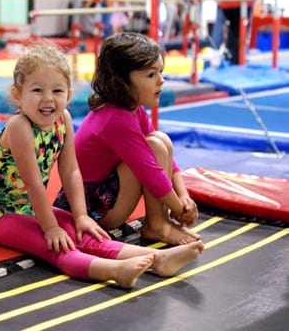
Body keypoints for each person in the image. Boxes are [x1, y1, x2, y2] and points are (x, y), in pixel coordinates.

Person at [0, 42, 204, 288]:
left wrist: (81, 216)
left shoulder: (62, 119)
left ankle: (158, 259)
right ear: (17, 95)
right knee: (55, 245)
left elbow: (71, 171)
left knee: (85, 234)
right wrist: (51, 228)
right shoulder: (19, 127)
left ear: (67, 95)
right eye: (37, 90)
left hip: (34, 208)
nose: (48, 99)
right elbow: (34, 183)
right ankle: (115, 270)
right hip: (4, 216)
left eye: (57, 91)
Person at [53, 32, 201, 247]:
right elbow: (150, 172)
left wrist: (184, 196)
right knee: (153, 146)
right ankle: (156, 225)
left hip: (104, 193)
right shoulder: (116, 118)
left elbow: (167, 159)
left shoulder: (132, 109)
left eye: (160, 72)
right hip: (90, 207)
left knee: (160, 139)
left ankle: (160, 221)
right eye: (151, 75)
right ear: (121, 80)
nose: (161, 80)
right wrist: (178, 208)